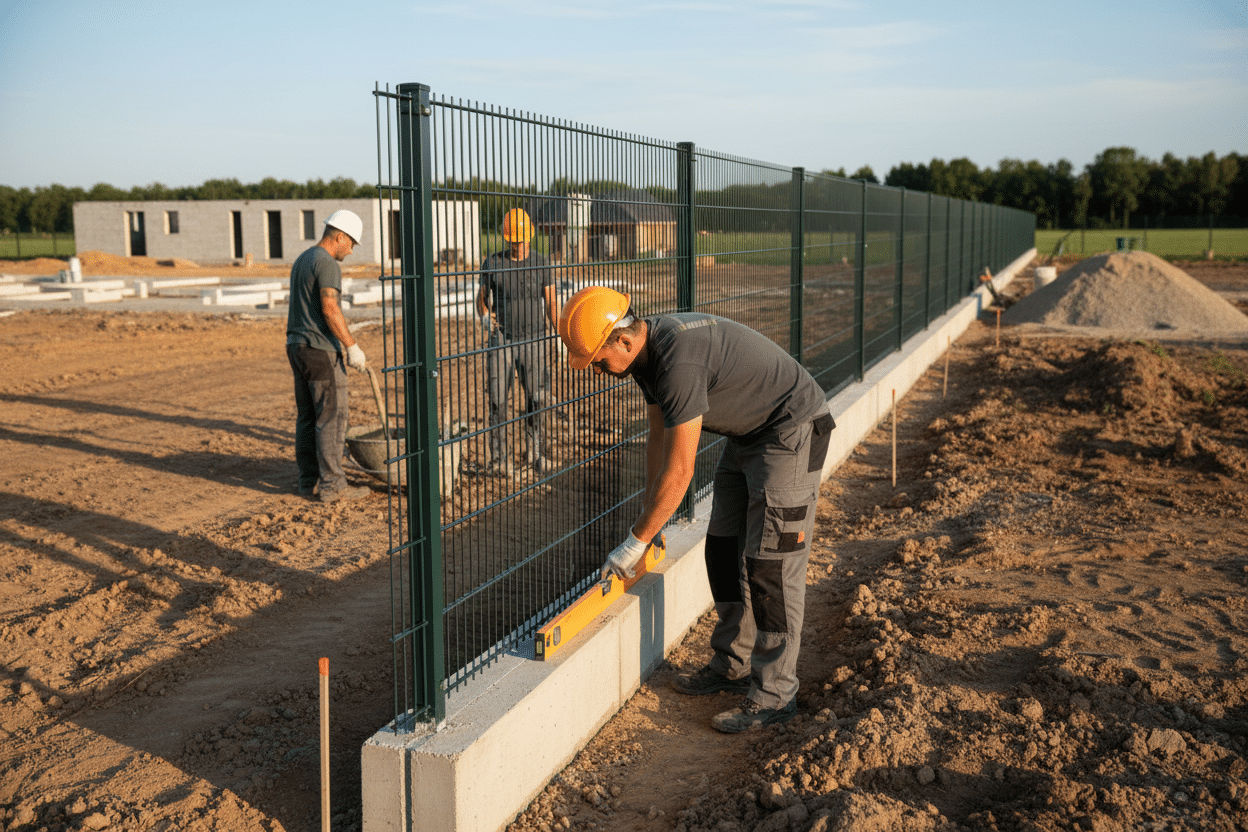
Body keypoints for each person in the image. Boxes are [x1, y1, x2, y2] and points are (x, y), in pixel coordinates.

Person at [557, 287, 835, 733]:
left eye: (599, 360)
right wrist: (650, 517)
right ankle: (731, 664)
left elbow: (682, 469)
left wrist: (635, 542)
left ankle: (775, 695)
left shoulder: (677, 363)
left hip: (790, 430)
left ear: (623, 341)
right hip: (749, 434)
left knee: (771, 567)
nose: (596, 369)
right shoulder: (647, 357)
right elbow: (659, 438)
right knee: (722, 548)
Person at [286, 209, 370, 503]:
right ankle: (333, 486)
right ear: (340, 237)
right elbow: (330, 307)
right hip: (320, 350)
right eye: (352, 243)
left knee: (308, 417)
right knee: (332, 417)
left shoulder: (304, 258)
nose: (352, 250)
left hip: (297, 346)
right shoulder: (327, 263)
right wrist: (351, 346)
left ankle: (308, 481)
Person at [475, 208, 560, 476]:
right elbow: (481, 298)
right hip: (502, 340)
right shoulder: (492, 263)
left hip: (535, 340)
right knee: (498, 401)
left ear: (530, 237)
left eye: (521, 240)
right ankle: (499, 460)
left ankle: (536, 453)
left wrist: (558, 335)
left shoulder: (541, 263)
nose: (518, 245)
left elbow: (552, 302)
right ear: (506, 238)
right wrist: (485, 318)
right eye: (513, 240)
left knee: (537, 399)